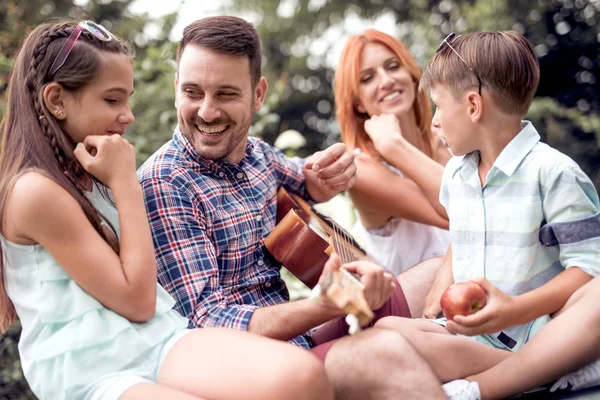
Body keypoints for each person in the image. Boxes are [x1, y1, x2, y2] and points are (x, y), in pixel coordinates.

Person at [0, 20, 335, 400]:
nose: (128, 115)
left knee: (302, 376)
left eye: (127, 99)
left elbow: (302, 179)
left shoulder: (93, 173)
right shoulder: (34, 192)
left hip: (157, 340)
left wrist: (322, 174)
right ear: (56, 100)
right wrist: (126, 184)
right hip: (94, 370)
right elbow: (139, 300)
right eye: (112, 100)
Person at [138, 16, 447, 400]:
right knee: (388, 348)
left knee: (434, 278)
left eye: (227, 94)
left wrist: (330, 170)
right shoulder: (166, 182)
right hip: (257, 373)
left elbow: (307, 179)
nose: (206, 112)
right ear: (175, 89)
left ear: (258, 95)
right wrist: (323, 306)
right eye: (193, 92)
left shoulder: (255, 155)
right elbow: (208, 322)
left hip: (300, 340)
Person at [371, 30, 600, 391]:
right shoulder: (456, 176)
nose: (433, 121)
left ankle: (529, 372)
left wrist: (515, 310)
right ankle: (527, 376)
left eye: (438, 106)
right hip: (478, 341)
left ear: (474, 107)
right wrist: (448, 275)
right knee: (386, 332)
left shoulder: (553, 173)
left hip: (539, 337)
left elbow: (590, 267)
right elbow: (468, 233)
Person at [334, 29, 451, 276]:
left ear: (411, 74)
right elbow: (461, 211)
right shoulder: (361, 170)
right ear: (357, 103)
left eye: (392, 66)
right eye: (367, 78)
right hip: (419, 307)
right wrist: (391, 146)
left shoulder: (452, 139)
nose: (385, 81)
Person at [443, 274, 600, 399]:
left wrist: (515, 310)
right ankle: (552, 366)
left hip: (551, 324)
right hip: (513, 339)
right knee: (420, 343)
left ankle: (478, 388)